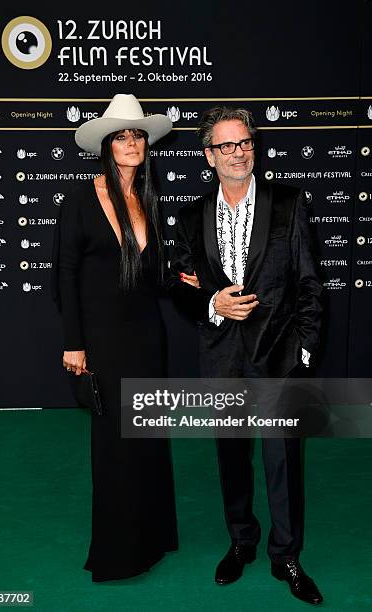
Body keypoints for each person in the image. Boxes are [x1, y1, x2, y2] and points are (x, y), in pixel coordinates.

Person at [167, 106, 323, 604]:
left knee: (282, 459)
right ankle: (241, 541)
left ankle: (287, 555)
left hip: (278, 352)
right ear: (209, 155)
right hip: (222, 354)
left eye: (246, 143)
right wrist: (212, 303)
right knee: (231, 454)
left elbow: (310, 284)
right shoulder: (190, 216)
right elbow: (182, 285)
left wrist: (305, 346)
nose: (239, 153)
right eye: (227, 146)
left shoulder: (288, 203)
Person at [56, 94, 178, 582]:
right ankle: (118, 551)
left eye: (138, 135)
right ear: (106, 145)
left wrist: (182, 280)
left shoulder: (148, 195)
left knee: (149, 438)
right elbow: (64, 275)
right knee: (114, 446)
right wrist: (74, 344)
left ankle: (154, 535)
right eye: (122, 136)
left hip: (148, 335)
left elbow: (152, 277)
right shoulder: (81, 198)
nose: (132, 143)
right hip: (103, 340)